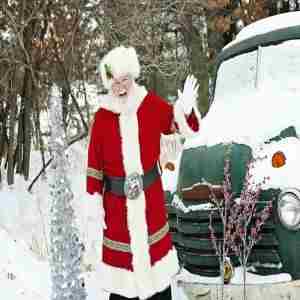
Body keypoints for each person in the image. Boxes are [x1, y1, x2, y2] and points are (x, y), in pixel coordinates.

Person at [86, 45, 201, 300]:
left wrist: (186, 110)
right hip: (117, 212)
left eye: (125, 79)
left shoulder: (148, 104)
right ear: (108, 83)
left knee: (157, 280)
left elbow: (179, 126)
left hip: (150, 206)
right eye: (114, 81)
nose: (121, 86)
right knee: (123, 284)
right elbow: (94, 167)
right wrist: (94, 202)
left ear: (133, 76)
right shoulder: (102, 118)